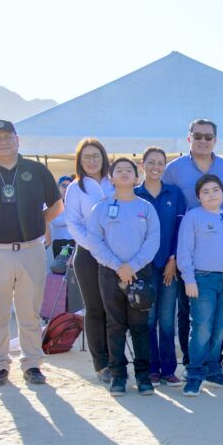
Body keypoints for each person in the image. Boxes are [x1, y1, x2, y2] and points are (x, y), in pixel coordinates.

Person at [0, 120, 63, 387]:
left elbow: (57, 205)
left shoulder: (36, 170)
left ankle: (32, 363)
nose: (3, 142)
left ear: (18, 140)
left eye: (8, 137)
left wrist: (40, 222)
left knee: (30, 312)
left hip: (30, 249)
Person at [162, 119, 223, 370]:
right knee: (188, 311)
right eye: (198, 136)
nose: (203, 141)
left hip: (220, 250)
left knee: (220, 314)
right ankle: (191, 361)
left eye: (208, 137)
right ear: (189, 138)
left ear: (215, 140)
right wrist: (173, 255)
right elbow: (168, 209)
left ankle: (215, 361)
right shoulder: (174, 169)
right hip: (187, 249)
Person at [86, 158, 160, 396]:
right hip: (110, 273)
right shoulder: (101, 208)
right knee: (115, 325)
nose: (125, 173)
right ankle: (118, 375)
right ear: (111, 178)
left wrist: (133, 266)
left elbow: (153, 240)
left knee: (140, 326)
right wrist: (118, 266)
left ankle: (143, 376)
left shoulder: (146, 208)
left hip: (140, 272)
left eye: (130, 170)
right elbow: (94, 241)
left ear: (137, 178)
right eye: (119, 170)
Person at [177, 174, 223, 397]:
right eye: (205, 192)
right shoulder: (193, 217)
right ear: (198, 197)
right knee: (202, 327)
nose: (211, 195)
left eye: (215, 190)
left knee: (220, 325)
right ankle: (195, 372)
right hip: (203, 279)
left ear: (222, 193)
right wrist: (189, 279)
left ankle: (213, 368)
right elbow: (184, 251)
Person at [64, 138, 115, 384]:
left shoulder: (114, 182)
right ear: (79, 161)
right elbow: (73, 224)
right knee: (95, 309)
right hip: (88, 255)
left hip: (115, 255)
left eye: (96, 156)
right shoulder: (76, 189)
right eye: (87, 157)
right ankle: (101, 364)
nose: (92, 161)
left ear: (104, 158)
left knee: (113, 310)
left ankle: (116, 360)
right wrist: (96, 247)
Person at [135, 147, 186, 387]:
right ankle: (151, 369)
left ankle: (168, 370)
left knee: (166, 320)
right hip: (143, 268)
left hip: (169, 266)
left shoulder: (174, 194)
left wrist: (173, 259)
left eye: (160, 163)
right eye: (151, 162)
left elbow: (180, 230)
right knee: (148, 319)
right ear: (142, 164)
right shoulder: (135, 195)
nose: (156, 167)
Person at [45, 176, 76, 258]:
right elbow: (55, 221)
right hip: (59, 242)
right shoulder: (52, 203)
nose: (66, 188)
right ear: (58, 188)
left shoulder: (77, 203)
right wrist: (73, 219)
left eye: (69, 186)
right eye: (63, 186)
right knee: (59, 265)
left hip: (75, 242)